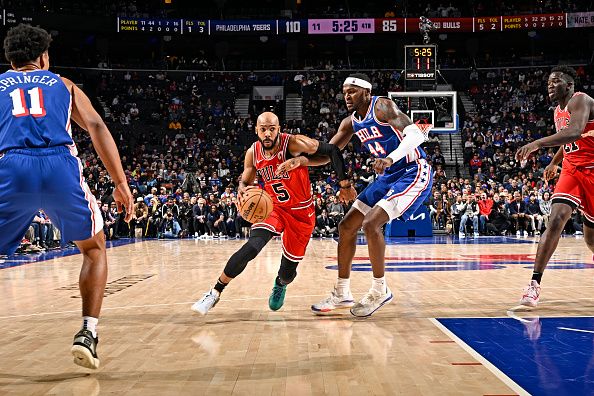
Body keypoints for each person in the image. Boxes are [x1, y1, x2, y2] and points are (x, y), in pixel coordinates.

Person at [0, 25, 133, 369]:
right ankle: (88, 333)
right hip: (59, 165)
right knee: (93, 248)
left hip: (11, 166)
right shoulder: (63, 84)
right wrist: (120, 183)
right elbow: (97, 127)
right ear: (43, 57)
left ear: (10, 59)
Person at [191, 111, 354, 315]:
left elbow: (331, 150)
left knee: (288, 273)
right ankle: (214, 292)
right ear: (256, 130)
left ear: (278, 129)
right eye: (263, 129)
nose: (267, 133)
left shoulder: (293, 144)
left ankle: (280, 283)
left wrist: (343, 183)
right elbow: (246, 178)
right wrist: (241, 187)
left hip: (301, 213)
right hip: (272, 207)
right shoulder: (253, 152)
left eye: (271, 129)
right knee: (252, 246)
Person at [305, 73, 433, 317]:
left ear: (366, 92)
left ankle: (379, 289)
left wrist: (390, 158)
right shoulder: (350, 123)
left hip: (413, 170)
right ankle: (342, 292)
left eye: (352, 91)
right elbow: (328, 153)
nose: (347, 96)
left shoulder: (382, 106)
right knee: (346, 226)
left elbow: (417, 134)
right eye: (344, 92)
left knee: (371, 223)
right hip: (386, 177)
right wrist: (300, 160)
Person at [516, 66, 594, 307]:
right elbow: (566, 139)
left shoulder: (581, 100)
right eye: (549, 81)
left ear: (569, 85)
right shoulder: (558, 110)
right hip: (572, 170)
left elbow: (574, 132)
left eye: (556, 81)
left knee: (591, 240)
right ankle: (534, 284)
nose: (550, 85)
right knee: (556, 219)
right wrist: (554, 162)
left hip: (592, 170)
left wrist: (537, 143)